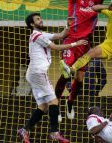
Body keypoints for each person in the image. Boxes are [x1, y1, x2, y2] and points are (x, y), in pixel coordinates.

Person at [17, 12, 88, 143]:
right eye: (38, 19)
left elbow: (62, 35)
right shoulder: (37, 35)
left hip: (33, 73)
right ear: (32, 24)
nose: (41, 20)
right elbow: (54, 47)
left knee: (43, 105)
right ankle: (54, 133)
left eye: (40, 18)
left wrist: (68, 25)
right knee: (54, 101)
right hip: (38, 73)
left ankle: (25, 130)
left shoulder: (42, 34)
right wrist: (75, 44)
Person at [54, 0, 107, 121]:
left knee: (79, 79)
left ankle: (70, 102)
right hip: (71, 41)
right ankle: (55, 106)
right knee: (65, 74)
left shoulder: (93, 1)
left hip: (85, 45)